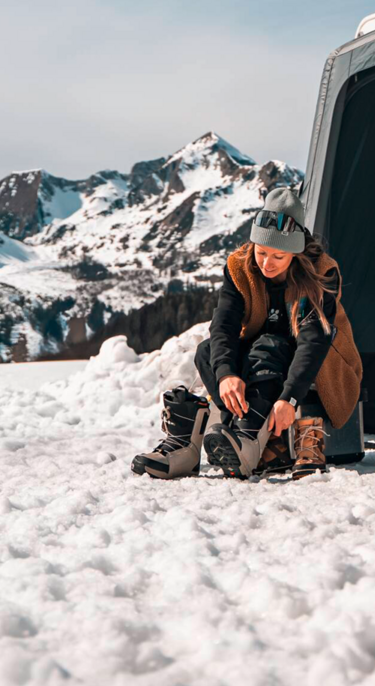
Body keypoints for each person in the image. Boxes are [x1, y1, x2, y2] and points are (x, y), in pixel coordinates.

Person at [131, 187, 363, 481]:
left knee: (269, 345)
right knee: (208, 353)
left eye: (278, 255)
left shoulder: (320, 272)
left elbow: (313, 340)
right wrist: (227, 374)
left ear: (296, 251)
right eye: (262, 251)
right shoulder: (240, 267)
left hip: (319, 363)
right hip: (263, 360)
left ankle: (250, 439)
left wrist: (290, 399)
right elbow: (224, 324)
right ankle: (223, 440)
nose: (267, 263)